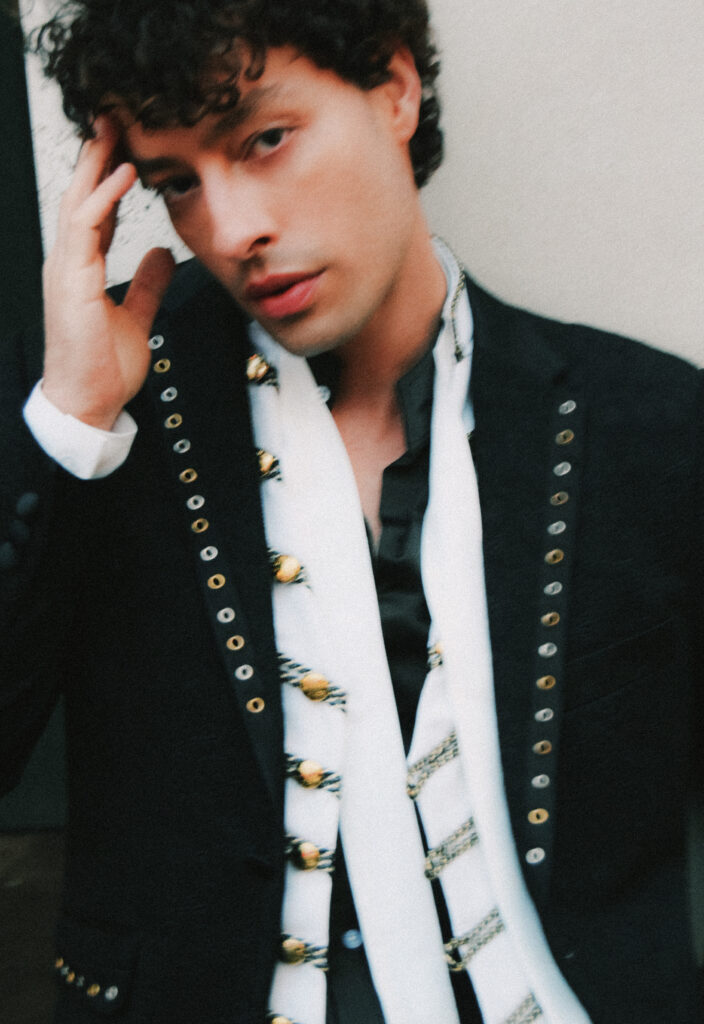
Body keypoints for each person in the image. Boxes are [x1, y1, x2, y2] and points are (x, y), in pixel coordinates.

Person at [1, 1, 702, 1022]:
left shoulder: (644, 422)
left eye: (265, 140)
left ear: (393, 87)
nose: (232, 229)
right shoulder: (105, 421)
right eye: (176, 184)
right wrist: (72, 425)